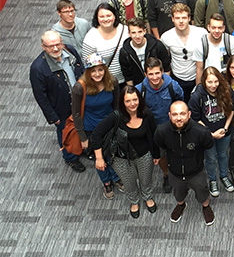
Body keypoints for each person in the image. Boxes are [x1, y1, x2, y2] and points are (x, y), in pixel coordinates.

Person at [90, 86, 159, 218]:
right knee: (129, 182)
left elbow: (154, 135)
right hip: (121, 157)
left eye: (135, 99)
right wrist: (99, 157)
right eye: (128, 101)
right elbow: (96, 134)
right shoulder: (115, 117)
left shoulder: (147, 114)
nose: (132, 104)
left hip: (144, 155)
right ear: (122, 102)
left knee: (146, 179)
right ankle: (134, 201)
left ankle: (147, 197)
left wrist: (156, 154)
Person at [30, 30, 85, 172]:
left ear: (62, 43)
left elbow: (81, 69)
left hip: (80, 102)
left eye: (57, 44)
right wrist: (53, 117)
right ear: (43, 47)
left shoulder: (70, 50)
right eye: (50, 46)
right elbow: (40, 97)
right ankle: (70, 158)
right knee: (66, 134)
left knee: (81, 127)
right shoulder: (38, 69)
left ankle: (82, 148)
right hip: (61, 109)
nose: (55, 49)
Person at [154, 101, 215, 225]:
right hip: (174, 172)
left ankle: (206, 207)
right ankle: (181, 205)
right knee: (178, 193)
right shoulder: (162, 131)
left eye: (182, 114)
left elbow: (209, 144)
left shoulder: (201, 132)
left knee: (202, 192)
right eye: (175, 114)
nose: (179, 118)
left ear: (189, 114)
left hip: (196, 172)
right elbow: (159, 145)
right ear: (169, 115)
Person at [71, 53, 121, 198]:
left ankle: (115, 177)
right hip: (91, 128)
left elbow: (116, 106)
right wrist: (82, 137)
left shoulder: (112, 82)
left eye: (100, 69)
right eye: (93, 70)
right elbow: (76, 114)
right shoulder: (80, 88)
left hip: (110, 126)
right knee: (100, 158)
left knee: (112, 154)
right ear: (87, 72)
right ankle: (107, 182)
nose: (97, 74)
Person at [135, 57, 184, 193]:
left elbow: (180, 103)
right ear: (145, 74)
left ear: (162, 71)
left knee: (178, 151)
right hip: (154, 130)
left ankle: (180, 172)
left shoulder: (173, 86)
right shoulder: (140, 90)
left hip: (173, 127)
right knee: (162, 155)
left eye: (157, 73)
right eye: (150, 74)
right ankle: (166, 174)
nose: (154, 77)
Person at [188, 66, 234, 197]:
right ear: (204, 81)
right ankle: (213, 180)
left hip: (224, 131)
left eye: (216, 81)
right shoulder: (197, 95)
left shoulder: (226, 90)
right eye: (210, 82)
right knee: (210, 158)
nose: (213, 85)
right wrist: (210, 133)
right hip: (207, 134)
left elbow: (231, 111)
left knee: (223, 155)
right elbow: (195, 119)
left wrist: (225, 128)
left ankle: (224, 176)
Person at [160, 3, 208, 102]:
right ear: (172, 19)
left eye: (184, 18)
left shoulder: (201, 34)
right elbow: (165, 59)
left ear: (189, 18)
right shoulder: (166, 37)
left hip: (197, 77)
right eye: (177, 18)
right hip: (177, 78)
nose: (181, 21)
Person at [82, 3, 129, 85]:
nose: (106, 19)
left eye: (109, 15)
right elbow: (88, 64)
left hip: (127, 80)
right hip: (105, 83)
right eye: (102, 17)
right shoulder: (91, 37)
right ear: (97, 18)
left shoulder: (125, 30)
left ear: (114, 16)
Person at [119, 17, 171, 86]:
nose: (137, 36)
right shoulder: (125, 52)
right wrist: (134, 90)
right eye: (133, 33)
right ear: (129, 34)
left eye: (140, 32)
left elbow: (166, 67)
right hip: (138, 86)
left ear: (144, 31)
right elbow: (127, 75)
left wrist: (164, 86)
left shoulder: (157, 45)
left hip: (158, 84)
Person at [194, 13, 234, 80]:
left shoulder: (231, 41)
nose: (217, 31)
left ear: (224, 28)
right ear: (208, 27)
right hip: (209, 82)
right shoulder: (200, 44)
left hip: (227, 81)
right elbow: (199, 70)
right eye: (213, 28)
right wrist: (198, 89)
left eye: (220, 28)